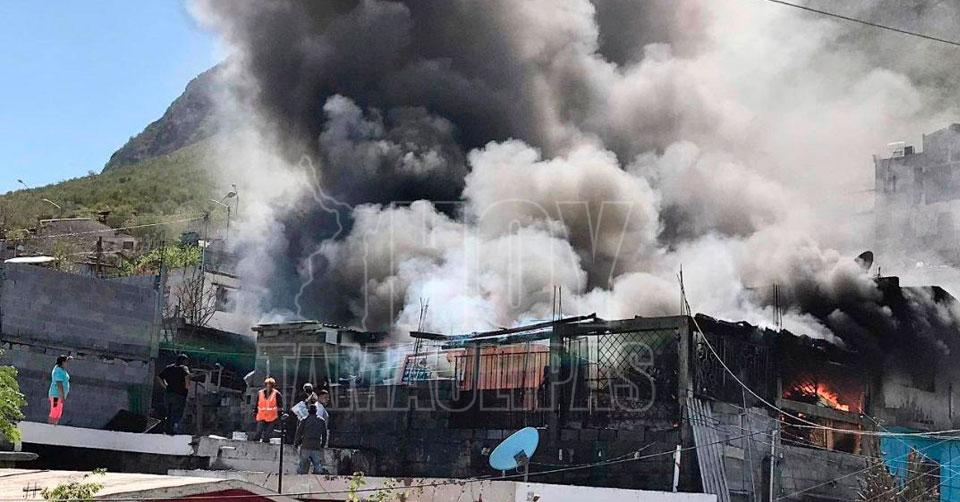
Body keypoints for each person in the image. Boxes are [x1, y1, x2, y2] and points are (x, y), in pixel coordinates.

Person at [157, 354, 190, 435]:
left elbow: (159, 377)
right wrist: (187, 387)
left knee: (168, 412)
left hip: (169, 393)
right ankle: (174, 429)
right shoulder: (184, 368)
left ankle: (166, 429)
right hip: (180, 394)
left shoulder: (169, 368)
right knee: (177, 412)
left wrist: (165, 386)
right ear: (183, 361)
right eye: (186, 361)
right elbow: (187, 377)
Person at [294, 404, 328, 474]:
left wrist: (296, 444)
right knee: (317, 466)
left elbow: (299, 433)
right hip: (316, 445)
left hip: (306, 445)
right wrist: (322, 445)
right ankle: (318, 479)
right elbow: (324, 434)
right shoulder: (321, 421)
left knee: (302, 466)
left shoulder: (304, 420)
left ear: (308, 411)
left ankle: (301, 479)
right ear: (316, 411)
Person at [253, 377, 283, 442]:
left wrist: (279, 417)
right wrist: (255, 413)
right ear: (265, 385)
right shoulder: (260, 393)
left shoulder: (277, 394)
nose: (268, 386)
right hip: (262, 416)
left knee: (267, 435)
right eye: (267, 384)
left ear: (273, 386)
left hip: (272, 417)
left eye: (270, 385)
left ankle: (265, 445)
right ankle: (255, 445)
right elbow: (257, 404)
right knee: (258, 432)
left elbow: (280, 407)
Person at [48, 355, 71, 425]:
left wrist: (68, 358)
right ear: (63, 362)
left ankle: (54, 425)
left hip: (59, 396)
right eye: (66, 362)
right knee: (54, 410)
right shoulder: (58, 371)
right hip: (56, 395)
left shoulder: (60, 369)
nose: (67, 363)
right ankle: (50, 426)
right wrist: (62, 395)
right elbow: (59, 384)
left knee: (58, 412)